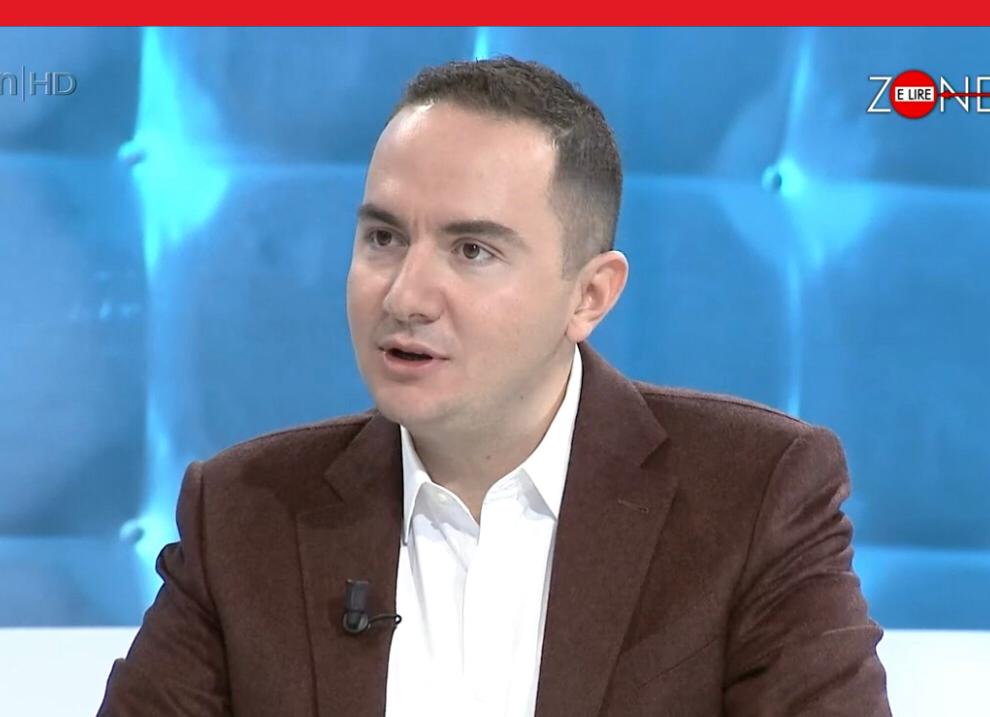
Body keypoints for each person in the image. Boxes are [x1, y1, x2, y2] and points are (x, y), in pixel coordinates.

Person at [99, 56, 891, 716]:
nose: (405, 294)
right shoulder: (244, 515)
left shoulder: (753, 495)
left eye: (472, 250)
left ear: (589, 296)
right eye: (383, 237)